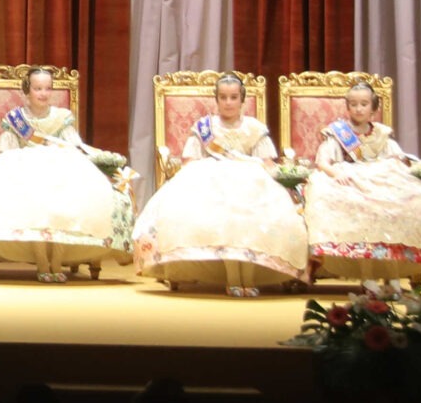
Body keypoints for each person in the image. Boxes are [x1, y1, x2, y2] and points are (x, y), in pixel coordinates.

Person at [131, 73, 307, 295]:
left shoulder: (254, 128)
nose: (228, 102)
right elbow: (190, 161)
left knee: (252, 220)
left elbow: (267, 163)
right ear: (216, 100)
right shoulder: (205, 128)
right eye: (223, 97)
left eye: (233, 97)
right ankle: (232, 277)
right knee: (224, 218)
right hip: (212, 182)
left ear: (242, 100)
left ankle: (250, 277)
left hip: (251, 184)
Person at [300, 79, 421, 285]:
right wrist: (335, 173)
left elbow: (399, 161)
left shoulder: (382, 135)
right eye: (353, 104)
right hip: (349, 179)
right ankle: (366, 273)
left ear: (373, 108)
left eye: (363, 104)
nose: (358, 109)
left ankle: (393, 269)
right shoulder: (338, 134)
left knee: (413, 202)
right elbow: (322, 162)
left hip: (382, 179)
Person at [0, 67, 133, 281]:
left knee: (66, 198)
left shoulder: (62, 117)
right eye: (38, 88)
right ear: (27, 90)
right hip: (25, 169)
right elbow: (7, 152)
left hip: (59, 169)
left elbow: (73, 147)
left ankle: (57, 260)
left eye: (48, 88)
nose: (43, 93)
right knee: (35, 199)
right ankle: (41, 259)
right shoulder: (16, 119)